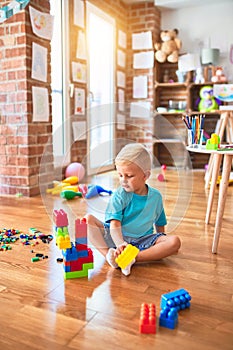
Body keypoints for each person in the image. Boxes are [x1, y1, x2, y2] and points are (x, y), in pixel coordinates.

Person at [86, 143, 181, 276]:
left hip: (143, 241)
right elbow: (114, 223)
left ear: (145, 175)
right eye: (120, 175)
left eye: (129, 176)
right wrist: (120, 244)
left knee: (174, 242)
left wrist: (163, 242)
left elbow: (160, 222)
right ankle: (109, 255)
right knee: (87, 220)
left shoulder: (156, 197)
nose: (123, 181)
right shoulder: (120, 195)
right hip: (116, 238)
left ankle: (133, 258)